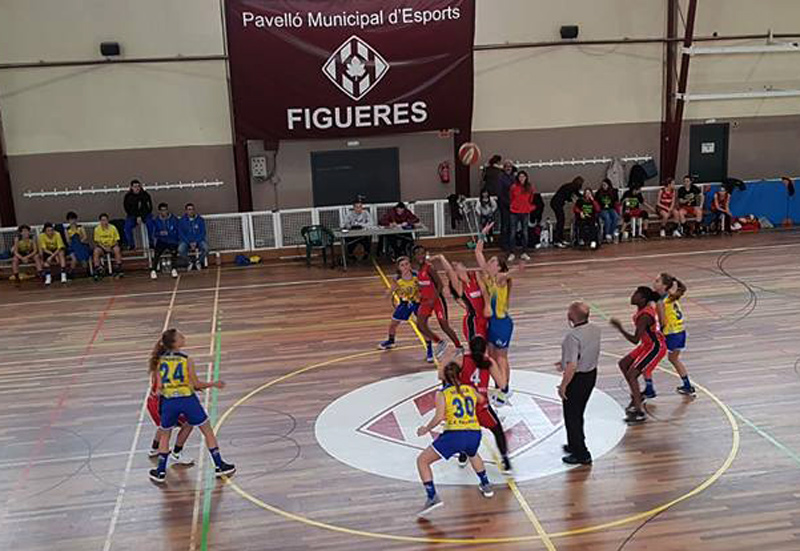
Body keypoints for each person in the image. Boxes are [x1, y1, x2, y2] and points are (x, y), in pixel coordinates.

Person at [148, 329, 234, 483]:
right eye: (181, 336)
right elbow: (196, 384)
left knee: (165, 434)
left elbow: (159, 387)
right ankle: (219, 465)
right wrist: (213, 383)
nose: (184, 337)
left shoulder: (159, 361)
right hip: (187, 400)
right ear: (175, 343)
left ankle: (160, 471)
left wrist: (161, 394)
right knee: (208, 431)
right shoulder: (186, 359)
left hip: (169, 402)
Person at [415, 361, 494, 517]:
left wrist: (426, 429)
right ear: (459, 375)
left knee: (422, 461)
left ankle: (432, 497)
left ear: (444, 376)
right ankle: (486, 484)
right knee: (472, 454)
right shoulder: (469, 389)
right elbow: (482, 400)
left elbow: (438, 417)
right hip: (474, 433)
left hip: (455, 434)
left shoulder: (442, 393)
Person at [475, 223, 522, 405]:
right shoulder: (488, 277)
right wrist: (483, 234)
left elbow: (508, 274)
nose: (489, 261)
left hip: (502, 323)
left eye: (493, 261)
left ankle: (506, 389)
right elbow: (478, 253)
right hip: (492, 323)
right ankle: (500, 384)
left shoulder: (500, 279)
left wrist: (516, 269)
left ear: (499, 267)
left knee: (501, 357)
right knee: (493, 356)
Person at [451, 336, 511, 471]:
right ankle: (505, 460)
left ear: (470, 348)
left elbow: (449, 378)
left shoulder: (462, 360)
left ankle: (462, 455)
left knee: (464, 430)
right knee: (498, 431)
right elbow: (502, 386)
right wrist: (502, 367)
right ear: (485, 350)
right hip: (482, 406)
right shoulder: (489, 362)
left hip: (466, 406)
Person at [609, 286, 666, 424]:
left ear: (643, 299)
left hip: (654, 347)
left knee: (632, 374)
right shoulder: (643, 310)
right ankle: (637, 396)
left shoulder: (645, 316)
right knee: (623, 364)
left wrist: (620, 328)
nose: (632, 296)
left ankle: (639, 411)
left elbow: (635, 339)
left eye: (636, 294)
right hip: (647, 345)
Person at [556, 302, 601, 465]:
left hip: (578, 379)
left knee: (572, 416)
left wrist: (563, 385)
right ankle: (575, 444)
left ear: (571, 316)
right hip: (591, 375)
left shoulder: (572, 336)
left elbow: (572, 365)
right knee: (578, 412)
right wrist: (564, 361)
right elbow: (585, 352)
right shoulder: (596, 329)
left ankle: (582, 453)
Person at [412, 245, 461, 362]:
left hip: (436, 301)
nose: (420, 255)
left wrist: (433, 299)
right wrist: (418, 293)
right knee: (420, 325)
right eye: (417, 253)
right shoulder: (418, 269)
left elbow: (440, 285)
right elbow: (423, 285)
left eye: (422, 253)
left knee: (444, 325)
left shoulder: (429, 268)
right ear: (414, 256)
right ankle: (439, 342)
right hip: (425, 301)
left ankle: (459, 347)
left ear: (425, 254)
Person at [653, 273, 695, 396]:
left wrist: (657, 332)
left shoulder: (661, 302)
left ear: (664, 286)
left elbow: (663, 322)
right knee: (673, 359)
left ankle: (647, 388)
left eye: (657, 281)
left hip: (670, 334)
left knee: (650, 358)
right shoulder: (672, 297)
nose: (654, 283)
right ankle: (687, 386)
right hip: (680, 332)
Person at [432, 253, 488, 343]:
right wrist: (441, 257)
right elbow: (449, 271)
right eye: (454, 268)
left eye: (458, 264)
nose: (456, 266)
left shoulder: (476, 276)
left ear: (465, 267)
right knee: (477, 348)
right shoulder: (459, 286)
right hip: (473, 321)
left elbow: (485, 291)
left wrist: (488, 306)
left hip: (485, 317)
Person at [378, 256, 420, 350]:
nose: (405, 267)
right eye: (402, 265)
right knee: (393, 324)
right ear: (398, 268)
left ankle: (429, 346)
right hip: (404, 304)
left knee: (422, 325)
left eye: (407, 264)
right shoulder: (397, 279)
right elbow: (392, 289)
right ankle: (391, 341)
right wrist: (387, 294)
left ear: (410, 265)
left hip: (417, 303)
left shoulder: (416, 275)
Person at [147, 202, 180, 279]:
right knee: (157, 252)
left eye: (165, 210)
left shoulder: (174, 219)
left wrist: (169, 233)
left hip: (172, 240)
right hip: (162, 240)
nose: (164, 212)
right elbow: (154, 233)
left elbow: (177, 231)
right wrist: (160, 233)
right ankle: (153, 270)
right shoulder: (156, 221)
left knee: (174, 251)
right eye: (162, 210)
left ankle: (174, 269)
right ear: (159, 211)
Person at [508, 170, 535, 261]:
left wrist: (526, 206)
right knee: (512, 232)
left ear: (526, 178)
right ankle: (511, 253)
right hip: (514, 211)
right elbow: (511, 197)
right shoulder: (513, 187)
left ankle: (524, 252)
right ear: (517, 178)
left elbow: (531, 199)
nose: (521, 178)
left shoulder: (529, 187)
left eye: (523, 176)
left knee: (525, 233)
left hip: (525, 212)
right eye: (520, 177)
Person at [550, 176, 584, 248]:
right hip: (556, 203)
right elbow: (568, 197)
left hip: (556, 203)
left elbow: (577, 194)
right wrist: (573, 200)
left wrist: (584, 196)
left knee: (561, 221)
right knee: (560, 221)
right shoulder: (570, 187)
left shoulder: (571, 186)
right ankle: (557, 240)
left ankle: (560, 239)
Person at [123, 179, 153, 250]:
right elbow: (127, 209)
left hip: (145, 215)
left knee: (151, 225)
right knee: (127, 228)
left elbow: (149, 208)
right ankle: (131, 244)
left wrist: (141, 216)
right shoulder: (128, 197)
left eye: (138, 186)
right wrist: (136, 216)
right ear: (131, 187)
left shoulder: (146, 195)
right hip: (132, 216)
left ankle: (151, 243)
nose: (137, 188)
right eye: (135, 187)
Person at [178, 203, 208, 271]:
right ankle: (190, 262)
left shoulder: (200, 220)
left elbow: (203, 232)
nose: (191, 211)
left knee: (206, 248)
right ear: (186, 211)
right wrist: (189, 242)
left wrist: (196, 242)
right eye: (189, 209)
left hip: (198, 241)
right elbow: (181, 234)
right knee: (180, 249)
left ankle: (198, 262)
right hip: (186, 241)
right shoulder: (182, 221)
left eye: (192, 209)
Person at [93, 213, 123, 280]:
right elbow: (97, 242)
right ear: (100, 221)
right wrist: (105, 248)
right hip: (102, 247)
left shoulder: (113, 228)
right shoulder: (97, 229)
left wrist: (111, 246)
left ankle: (118, 269)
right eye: (103, 220)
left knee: (117, 249)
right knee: (96, 251)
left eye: (106, 220)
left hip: (112, 245)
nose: (104, 222)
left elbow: (117, 240)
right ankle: (97, 269)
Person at [595, 178, 620, 243]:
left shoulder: (613, 192)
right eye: (602, 185)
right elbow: (596, 203)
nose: (603, 186)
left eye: (605, 185)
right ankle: (607, 234)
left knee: (615, 216)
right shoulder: (599, 192)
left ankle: (610, 233)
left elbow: (616, 202)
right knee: (607, 217)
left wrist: (618, 210)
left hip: (611, 208)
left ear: (608, 185)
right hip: (602, 209)